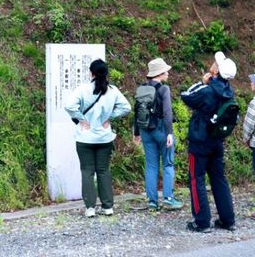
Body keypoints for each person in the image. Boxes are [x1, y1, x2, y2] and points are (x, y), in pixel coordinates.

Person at [65, 59, 131, 218]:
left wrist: (81, 119)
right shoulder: (113, 90)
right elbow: (126, 107)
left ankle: (90, 208)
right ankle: (108, 207)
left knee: (87, 171)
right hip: (104, 137)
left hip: (84, 138)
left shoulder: (83, 89)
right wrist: (109, 117)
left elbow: (69, 106)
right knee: (103, 170)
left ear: (91, 73)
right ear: (106, 73)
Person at [180, 51, 237, 233]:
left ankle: (202, 221)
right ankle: (228, 219)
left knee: (196, 179)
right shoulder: (229, 92)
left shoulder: (207, 90)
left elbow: (186, 95)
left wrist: (202, 82)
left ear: (217, 71)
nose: (213, 64)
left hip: (200, 141)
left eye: (216, 64)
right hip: (217, 141)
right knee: (219, 179)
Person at [133, 58, 184, 210]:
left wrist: (137, 133)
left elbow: (137, 112)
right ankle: (168, 198)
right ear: (160, 73)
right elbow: (167, 112)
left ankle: (152, 202)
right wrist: (170, 133)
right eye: (165, 71)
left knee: (151, 166)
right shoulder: (164, 89)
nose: (168, 73)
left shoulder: (141, 88)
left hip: (145, 131)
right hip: (161, 130)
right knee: (168, 163)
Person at [242, 73, 255, 176]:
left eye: (252, 82)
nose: (251, 83)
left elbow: (249, 125)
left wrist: (245, 139)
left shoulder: (254, 103)